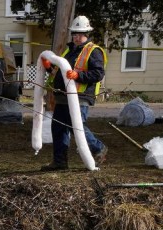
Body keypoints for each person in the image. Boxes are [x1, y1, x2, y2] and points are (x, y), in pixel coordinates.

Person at [41, 15, 108, 171]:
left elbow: (98, 74)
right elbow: (59, 72)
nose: (77, 37)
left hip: (80, 97)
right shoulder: (69, 51)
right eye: (75, 34)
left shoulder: (93, 51)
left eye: (81, 34)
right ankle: (60, 162)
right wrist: (48, 67)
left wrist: (79, 76)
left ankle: (98, 149)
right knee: (58, 127)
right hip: (63, 97)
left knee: (76, 127)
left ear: (87, 34)